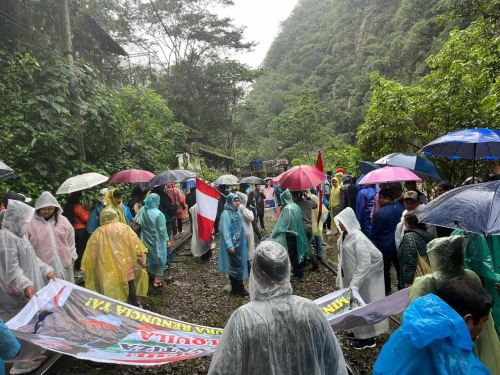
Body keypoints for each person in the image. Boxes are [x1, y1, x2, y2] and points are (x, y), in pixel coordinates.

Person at [208, 241, 348, 375]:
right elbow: (333, 363)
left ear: (255, 274)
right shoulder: (310, 310)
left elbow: (224, 369)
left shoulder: (243, 319)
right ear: (287, 270)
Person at [409, 236, 500, 374]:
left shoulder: (426, 282)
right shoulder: (471, 275)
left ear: (435, 256)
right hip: (470, 336)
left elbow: (413, 317)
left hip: (439, 342)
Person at [373, 278, 492, 375]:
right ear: (468, 320)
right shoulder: (459, 363)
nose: (481, 330)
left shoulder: (411, 327)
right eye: (483, 321)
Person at [0, 200, 55, 374]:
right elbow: (11, 269)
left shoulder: (20, 235)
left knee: (30, 325)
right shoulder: (6, 238)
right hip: (14, 294)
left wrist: (47, 270)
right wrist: (26, 285)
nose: (27, 223)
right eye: (25, 219)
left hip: (26, 290)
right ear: (17, 218)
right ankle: (19, 362)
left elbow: (33, 259)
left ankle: (32, 357)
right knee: (19, 327)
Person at [334, 208, 389, 350]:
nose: (339, 226)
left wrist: (356, 283)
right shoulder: (345, 236)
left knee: (364, 307)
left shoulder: (358, 238)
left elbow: (364, 263)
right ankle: (358, 332)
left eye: (341, 223)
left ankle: (368, 338)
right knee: (354, 308)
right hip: (352, 279)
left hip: (363, 282)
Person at [82, 208, 148, 306]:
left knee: (112, 286)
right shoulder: (124, 228)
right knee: (130, 282)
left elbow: (91, 252)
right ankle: (135, 303)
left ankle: (116, 305)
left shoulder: (97, 233)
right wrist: (141, 260)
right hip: (126, 262)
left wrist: (88, 267)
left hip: (107, 266)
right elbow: (135, 245)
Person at [27, 192, 77, 283]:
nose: (47, 211)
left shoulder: (63, 221)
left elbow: (71, 240)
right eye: (44, 209)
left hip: (65, 264)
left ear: (55, 208)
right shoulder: (31, 223)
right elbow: (28, 247)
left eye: (50, 208)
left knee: (66, 291)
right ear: (38, 208)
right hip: (43, 267)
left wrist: (72, 256)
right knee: (48, 293)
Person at [372, 188, 405, 295]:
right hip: (399, 245)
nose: (379, 201)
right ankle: (402, 289)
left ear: (387, 198)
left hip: (384, 247)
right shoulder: (402, 209)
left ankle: (386, 291)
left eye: (381, 198)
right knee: (400, 269)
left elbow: (375, 233)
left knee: (385, 271)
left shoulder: (380, 213)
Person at [270, 190, 308, 281]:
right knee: (297, 253)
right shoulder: (295, 206)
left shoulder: (288, 209)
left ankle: (297, 274)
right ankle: (298, 272)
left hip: (291, 235)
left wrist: (274, 233)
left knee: (293, 255)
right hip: (297, 233)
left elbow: (283, 225)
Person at [136, 193, 169, 289]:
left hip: (144, 239)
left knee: (147, 257)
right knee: (159, 259)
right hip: (157, 241)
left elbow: (136, 221)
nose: (159, 203)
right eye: (158, 201)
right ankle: (157, 279)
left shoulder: (142, 210)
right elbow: (162, 230)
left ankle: (146, 277)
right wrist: (167, 240)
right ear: (155, 201)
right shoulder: (159, 214)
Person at [218, 193, 248, 296]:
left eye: (238, 201)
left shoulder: (237, 212)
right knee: (235, 266)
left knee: (239, 265)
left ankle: (237, 289)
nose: (237, 203)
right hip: (232, 246)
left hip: (239, 245)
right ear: (230, 202)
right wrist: (230, 245)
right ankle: (237, 288)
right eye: (234, 201)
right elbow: (225, 231)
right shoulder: (225, 214)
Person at [397, 213, 433, 288]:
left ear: (409, 224)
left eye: (405, 223)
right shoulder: (427, 234)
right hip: (428, 273)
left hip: (416, 276)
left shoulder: (409, 236)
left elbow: (409, 260)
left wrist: (408, 281)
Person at [63, 191, 89, 271]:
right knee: (81, 249)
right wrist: (88, 212)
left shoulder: (67, 206)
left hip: (73, 230)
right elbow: (86, 219)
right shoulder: (77, 206)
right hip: (81, 231)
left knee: (76, 248)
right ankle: (80, 267)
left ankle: (76, 266)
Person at [292, 191, 318, 270]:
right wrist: (308, 198)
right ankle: (305, 262)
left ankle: (315, 264)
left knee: (307, 247)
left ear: (295, 196)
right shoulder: (308, 202)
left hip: (302, 229)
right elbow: (315, 205)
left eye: (292, 196)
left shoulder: (295, 205)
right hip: (310, 228)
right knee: (305, 245)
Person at [237, 192, 256, 262]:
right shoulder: (242, 208)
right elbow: (250, 217)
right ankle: (246, 264)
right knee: (247, 248)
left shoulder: (237, 206)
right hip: (245, 230)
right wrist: (251, 211)